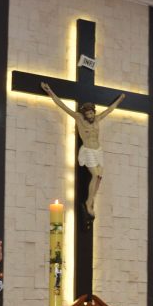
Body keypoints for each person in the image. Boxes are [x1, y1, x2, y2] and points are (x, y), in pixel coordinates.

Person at [40, 82, 125, 217]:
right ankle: (88, 202)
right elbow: (62, 105)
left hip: (98, 151)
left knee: (100, 177)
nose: (90, 116)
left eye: (92, 113)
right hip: (88, 150)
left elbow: (110, 110)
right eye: (88, 114)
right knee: (95, 175)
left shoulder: (97, 119)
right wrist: (49, 91)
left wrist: (120, 99)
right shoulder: (79, 118)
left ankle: (91, 200)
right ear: (84, 114)